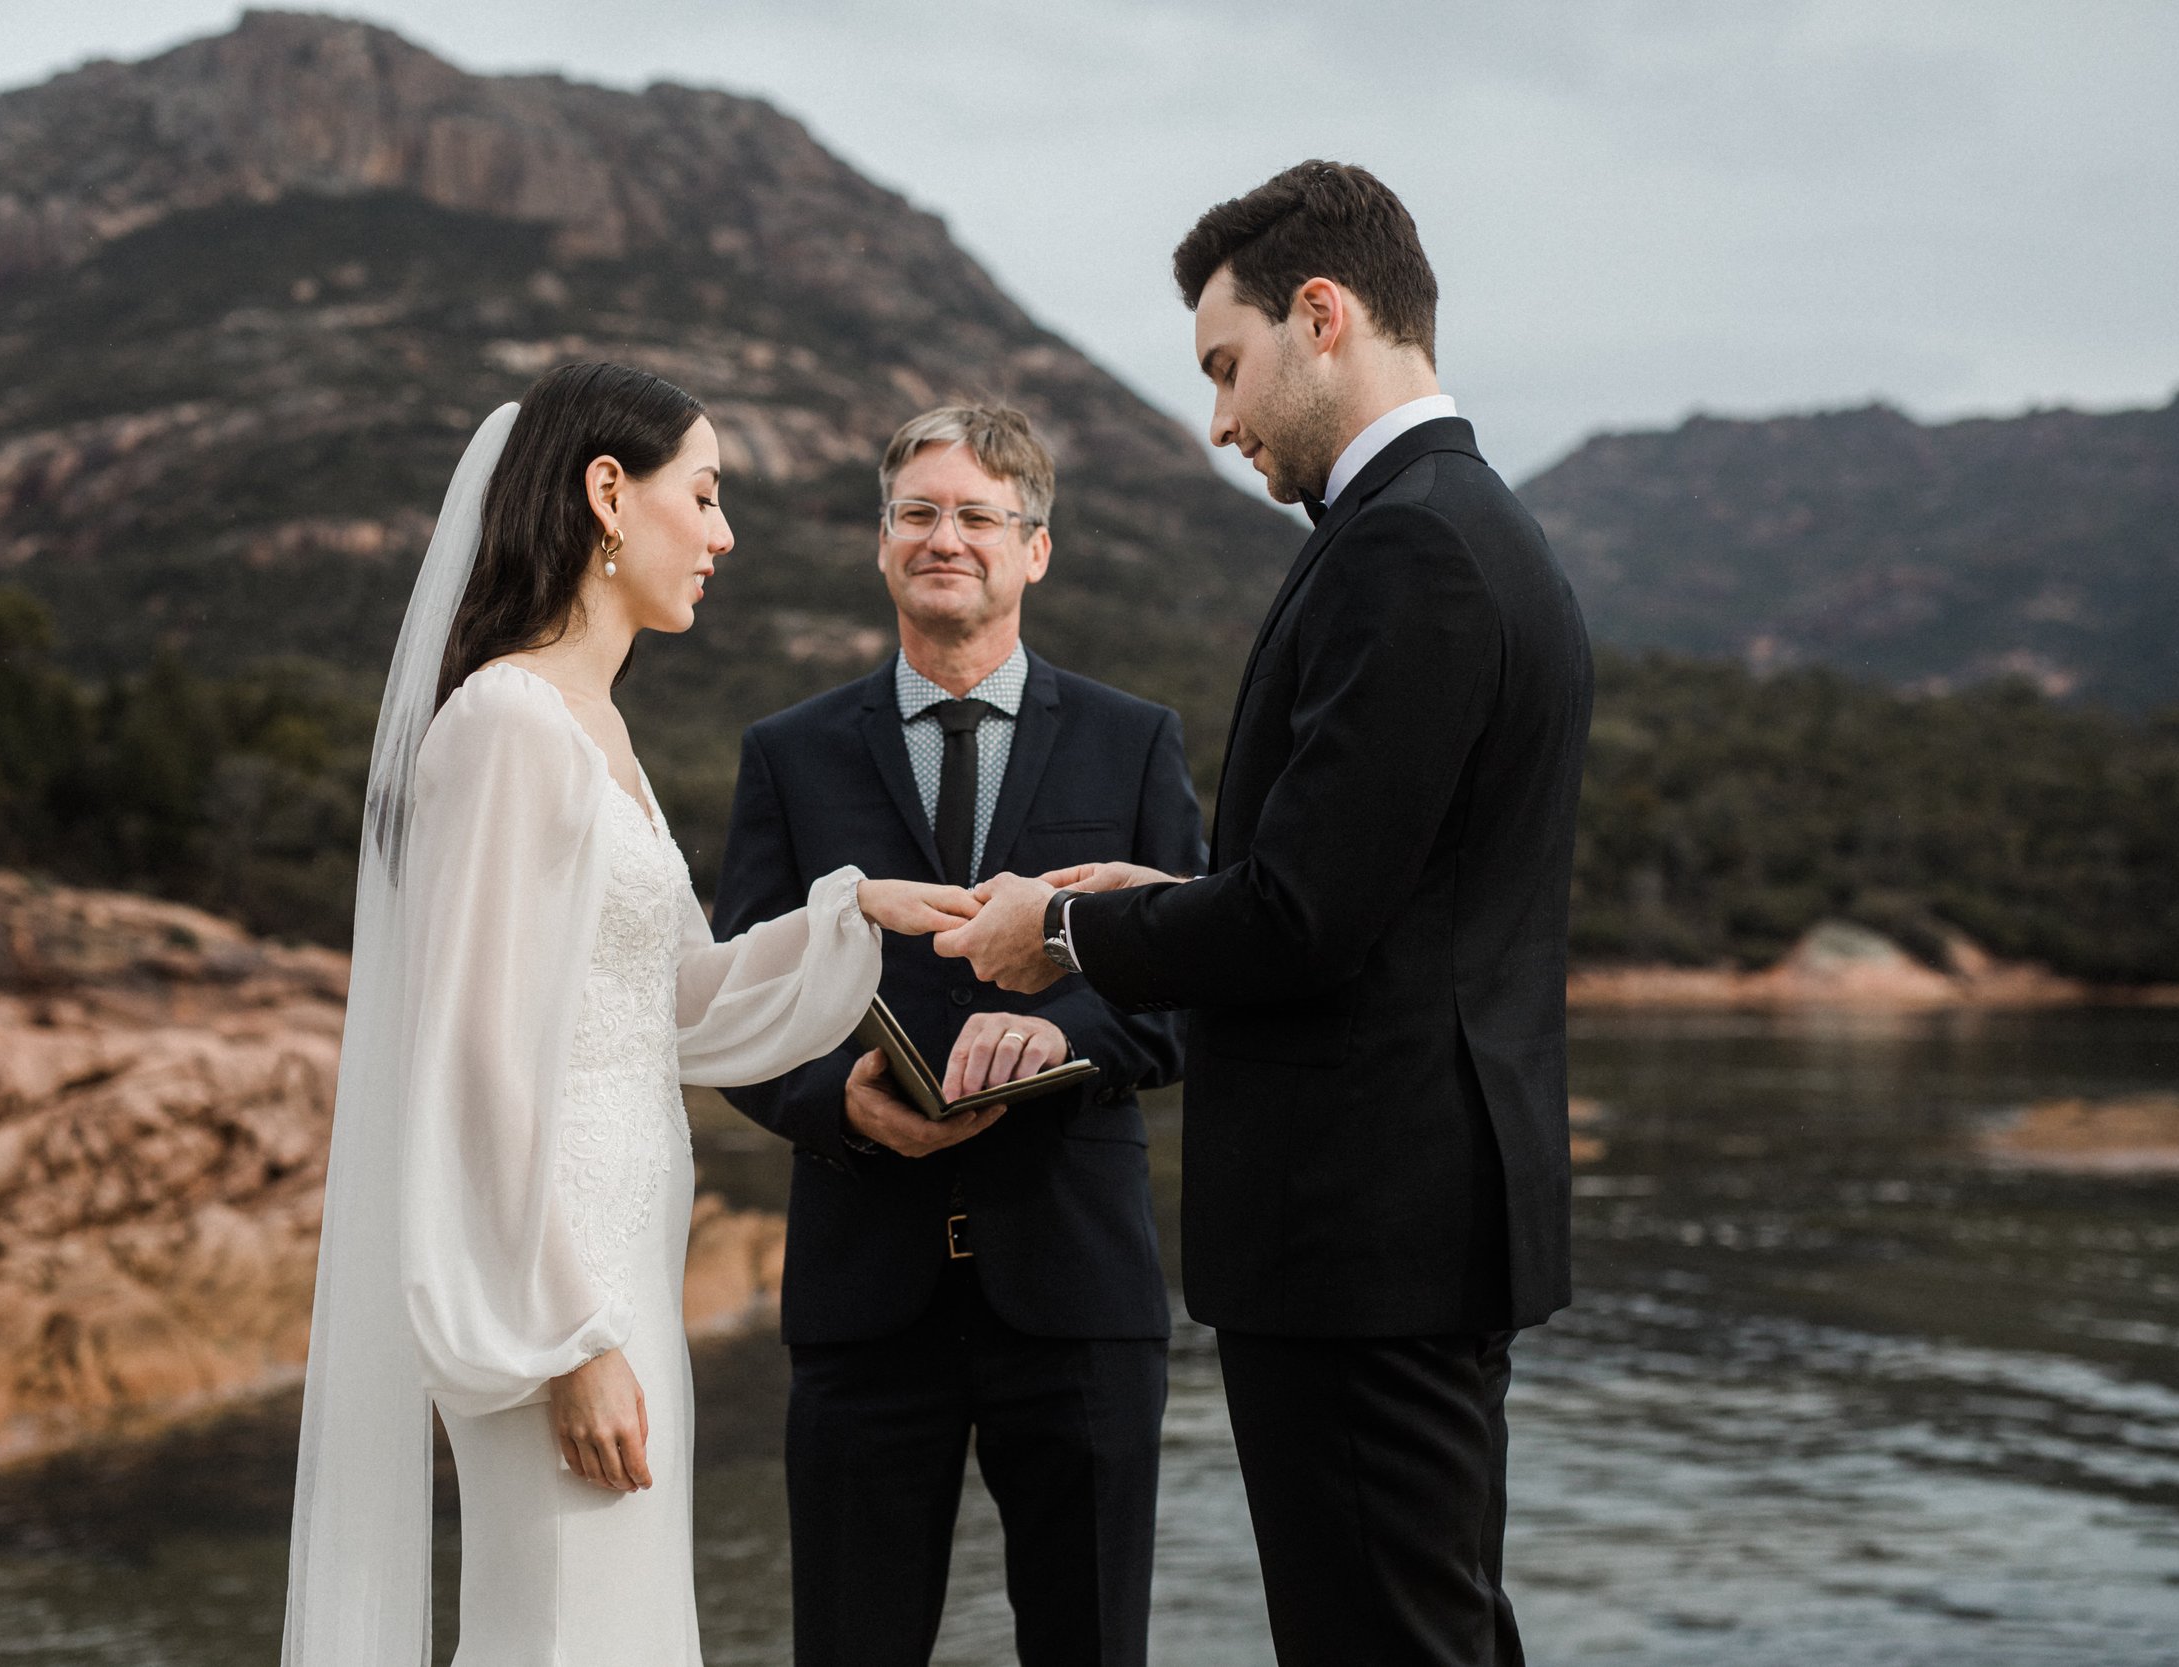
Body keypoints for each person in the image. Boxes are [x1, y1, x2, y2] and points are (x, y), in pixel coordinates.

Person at [934, 163, 1595, 1667]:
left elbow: (1306, 920)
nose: (1220, 421)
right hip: (1413, 1223)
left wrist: (1063, 933)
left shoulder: (1408, 546)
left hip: (1363, 1231)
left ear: (1322, 315)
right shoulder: (1473, 526)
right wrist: (1170, 897)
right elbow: (1372, 887)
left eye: (1226, 367)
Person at [279, 362, 978, 1667]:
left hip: (622, 1265)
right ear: (609, 493)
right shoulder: (507, 720)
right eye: (702, 495)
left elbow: (668, 1004)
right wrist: (569, 1338)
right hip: (561, 1291)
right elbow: (474, 1056)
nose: (724, 534)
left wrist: (851, 912)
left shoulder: (591, 721)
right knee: (560, 1632)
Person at [712, 403, 1204, 1667]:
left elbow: (1188, 987)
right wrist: (835, 1097)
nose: (946, 537)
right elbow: (733, 997)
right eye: (919, 513)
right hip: (862, 1293)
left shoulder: (1133, 740)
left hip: (1077, 1289)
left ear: (1033, 548)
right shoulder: (788, 754)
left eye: (979, 515)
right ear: (881, 542)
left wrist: (1061, 1032)